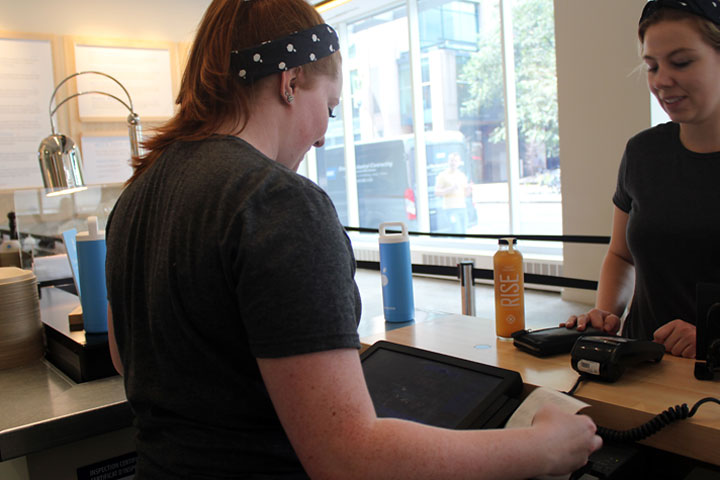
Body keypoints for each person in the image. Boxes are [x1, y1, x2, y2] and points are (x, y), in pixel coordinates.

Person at [105, 1, 601, 478]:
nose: (324, 136)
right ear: (290, 81)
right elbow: (349, 460)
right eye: (330, 107)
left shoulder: (139, 194)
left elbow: (126, 360)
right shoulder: (276, 201)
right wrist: (542, 448)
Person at [564, 0, 720, 359]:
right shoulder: (643, 152)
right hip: (639, 365)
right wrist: (605, 314)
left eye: (681, 62)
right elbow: (621, 255)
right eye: (652, 66)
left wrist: (713, 337)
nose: (661, 80)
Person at [434, 152, 472, 233]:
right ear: (448, 161)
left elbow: (465, 194)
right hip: (450, 209)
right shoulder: (443, 175)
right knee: (456, 231)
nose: (453, 163)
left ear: (459, 163)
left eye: (455, 161)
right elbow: (437, 192)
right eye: (451, 160)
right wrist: (451, 189)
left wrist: (469, 189)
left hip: (462, 208)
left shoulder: (462, 175)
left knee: (464, 232)